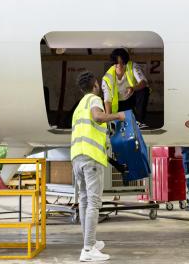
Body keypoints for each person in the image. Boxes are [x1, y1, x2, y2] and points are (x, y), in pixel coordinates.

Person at [71, 71, 125, 262]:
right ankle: (87, 250)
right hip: (91, 159)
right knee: (94, 203)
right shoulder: (94, 100)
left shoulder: (79, 106)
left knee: (85, 202)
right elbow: (97, 117)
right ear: (95, 85)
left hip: (77, 158)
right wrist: (117, 116)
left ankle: (89, 243)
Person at [102, 48, 150, 128]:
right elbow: (108, 101)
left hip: (131, 99)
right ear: (113, 64)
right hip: (119, 105)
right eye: (117, 63)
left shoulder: (132, 66)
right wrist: (108, 121)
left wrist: (133, 88)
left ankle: (139, 121)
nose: (120, 66)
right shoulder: (107, 78)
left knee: (144, 91)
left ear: (126, 62)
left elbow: (143, 82)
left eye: (123, 63)